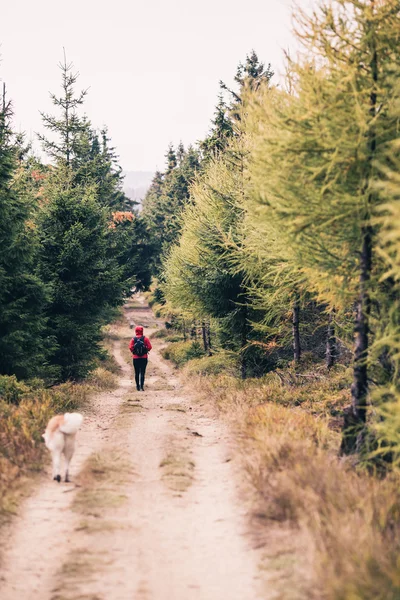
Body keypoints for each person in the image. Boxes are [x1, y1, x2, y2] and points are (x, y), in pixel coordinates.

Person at [129, 325, 152, 391]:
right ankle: (142, 386)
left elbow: (130, 347)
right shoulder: (145, 339)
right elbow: (150, 347)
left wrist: (134, 352)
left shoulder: (133, 339)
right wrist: (146, 350)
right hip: (144, 358)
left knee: (136, 372)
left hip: (135, 358)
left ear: (135, 331)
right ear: (142, 331)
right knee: (142, 372)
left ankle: (137, 387)